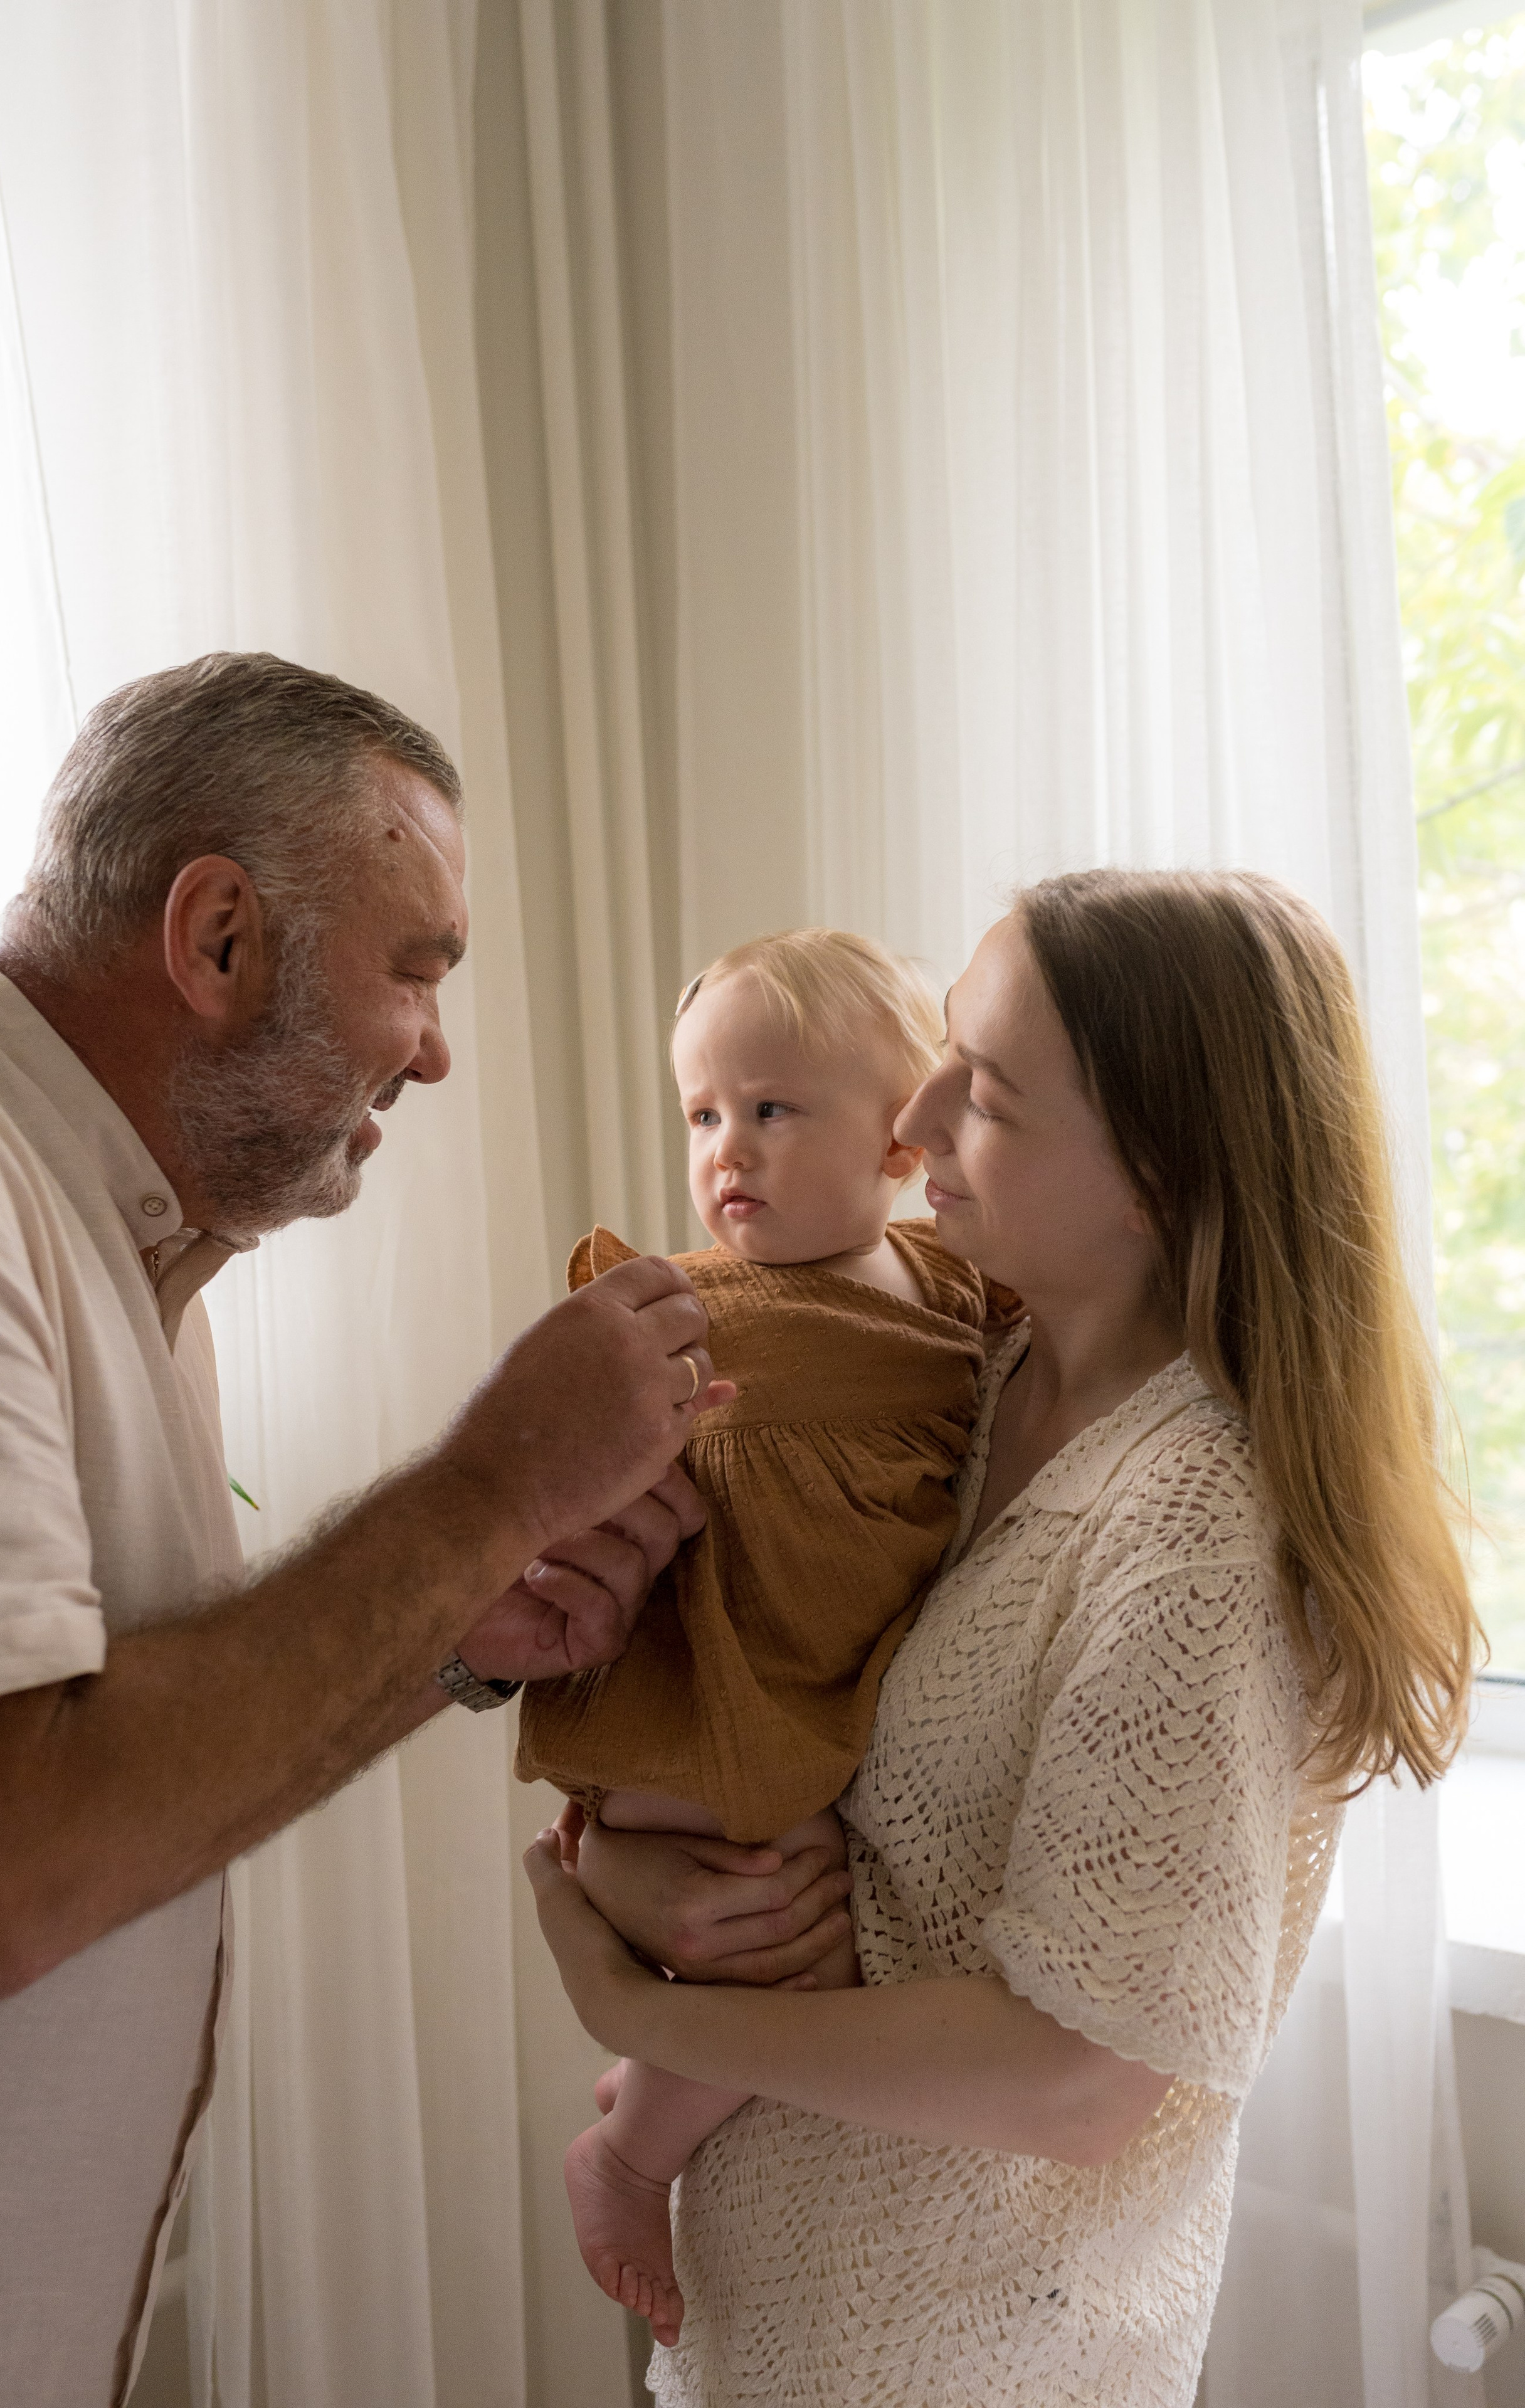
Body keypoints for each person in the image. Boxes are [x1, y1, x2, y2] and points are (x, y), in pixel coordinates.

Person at [525, 868, 1479, 2407]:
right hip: (768, 2316)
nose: (914, 1112)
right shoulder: (960, 1368)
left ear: (1154, 1174)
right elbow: (830, 1764)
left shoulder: (1190, 1542)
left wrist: (643, 2011)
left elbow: (1081, 2076)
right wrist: (627, 1862)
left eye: (988, 1091)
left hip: (969, 2356)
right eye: (942, 1051)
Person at [0, 652, 729, 2408]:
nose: (437, 1051)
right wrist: (486, 1486)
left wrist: (453, 1635)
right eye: (416, 969)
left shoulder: (134, 1255)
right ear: (216, 937)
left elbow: (126, 1766)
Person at [516, 931, 1020, 2343]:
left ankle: (650, 2089)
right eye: (701, 1113)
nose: (724, 1147)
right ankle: (624, 2158)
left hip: (813, 1699)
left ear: (900, 1142)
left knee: (795, 1940)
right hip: (707, 1699)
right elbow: (566, 1451)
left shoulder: (957, 1296)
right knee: (783, 1946)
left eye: (772, 1109)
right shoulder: (692, 1314)